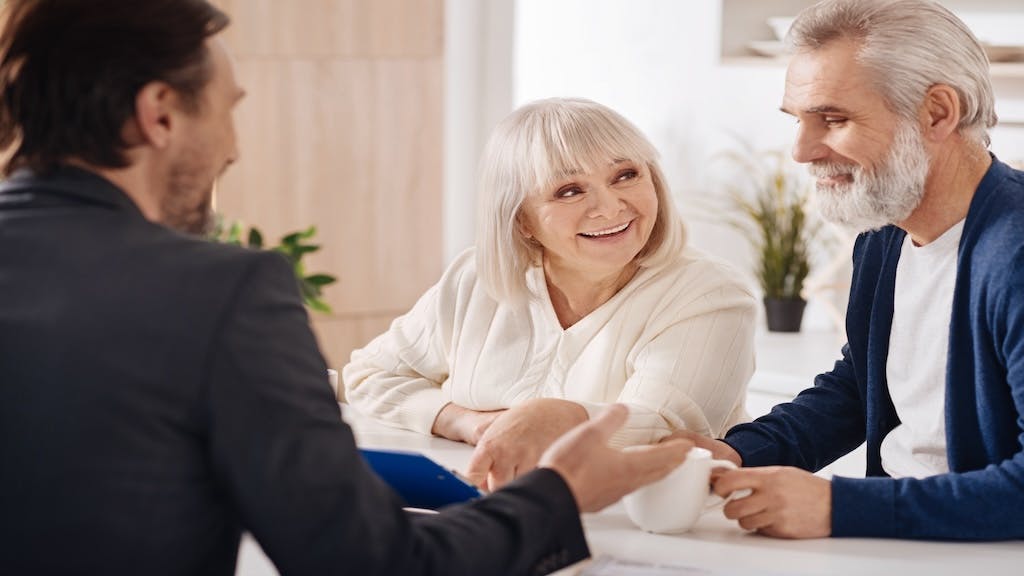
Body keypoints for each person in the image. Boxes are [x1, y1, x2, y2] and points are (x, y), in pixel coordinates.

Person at [0, 1, 695, 574]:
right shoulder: (219, 293)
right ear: (159, 113)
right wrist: (558, 496)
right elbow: (369, 563)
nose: (233, 147)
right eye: (227, 109)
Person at [669, 0, 1024, 541]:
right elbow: (859, 386)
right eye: (798, 121)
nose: (802, 151)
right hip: (906, 542)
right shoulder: (884, 234)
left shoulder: (1014, 253)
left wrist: (839, 507)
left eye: (832, 119)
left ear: (937, 113)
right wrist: (734, 452)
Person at [344, 98, 758, 491]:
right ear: (521, 219)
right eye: (569, 191)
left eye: (625, 175)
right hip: (489, 511)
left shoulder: (711, 294)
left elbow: (665, 430)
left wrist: (553, 419)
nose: (610, 207)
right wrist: (465, 422)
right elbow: (369, 376)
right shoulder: (473, 280)